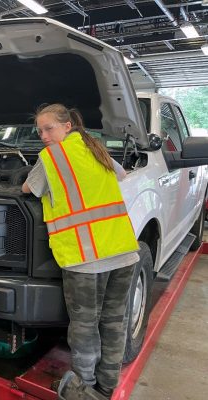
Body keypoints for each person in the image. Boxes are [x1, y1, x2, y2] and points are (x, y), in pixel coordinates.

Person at [22, 104, 139, 400]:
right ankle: (106, 385)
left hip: (85, 257)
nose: (44, 135)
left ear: (67, 126)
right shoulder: (94, 147)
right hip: (123, 251)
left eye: (49, 128)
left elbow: (28, 189)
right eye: (39, 130)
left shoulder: (52, 157)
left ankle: (83, 389)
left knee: (85, 326)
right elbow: (122, 175)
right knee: (114, 320)